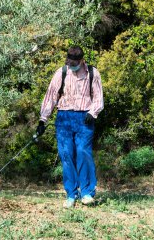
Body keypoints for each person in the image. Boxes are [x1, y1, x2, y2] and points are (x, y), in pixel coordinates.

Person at [36, 46, 104, 208]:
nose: (72, 65)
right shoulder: (61, 73)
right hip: (64, 117)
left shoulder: (93, 73)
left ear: (82, 61)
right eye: (69, 62)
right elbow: (51, 96)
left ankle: (87, 193)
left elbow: (98, 97)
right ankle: (71, 194)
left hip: (85, 118)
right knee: (66, 154)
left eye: (75, 63)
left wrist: (92, 112)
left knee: (83, 152)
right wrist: (42, 121)